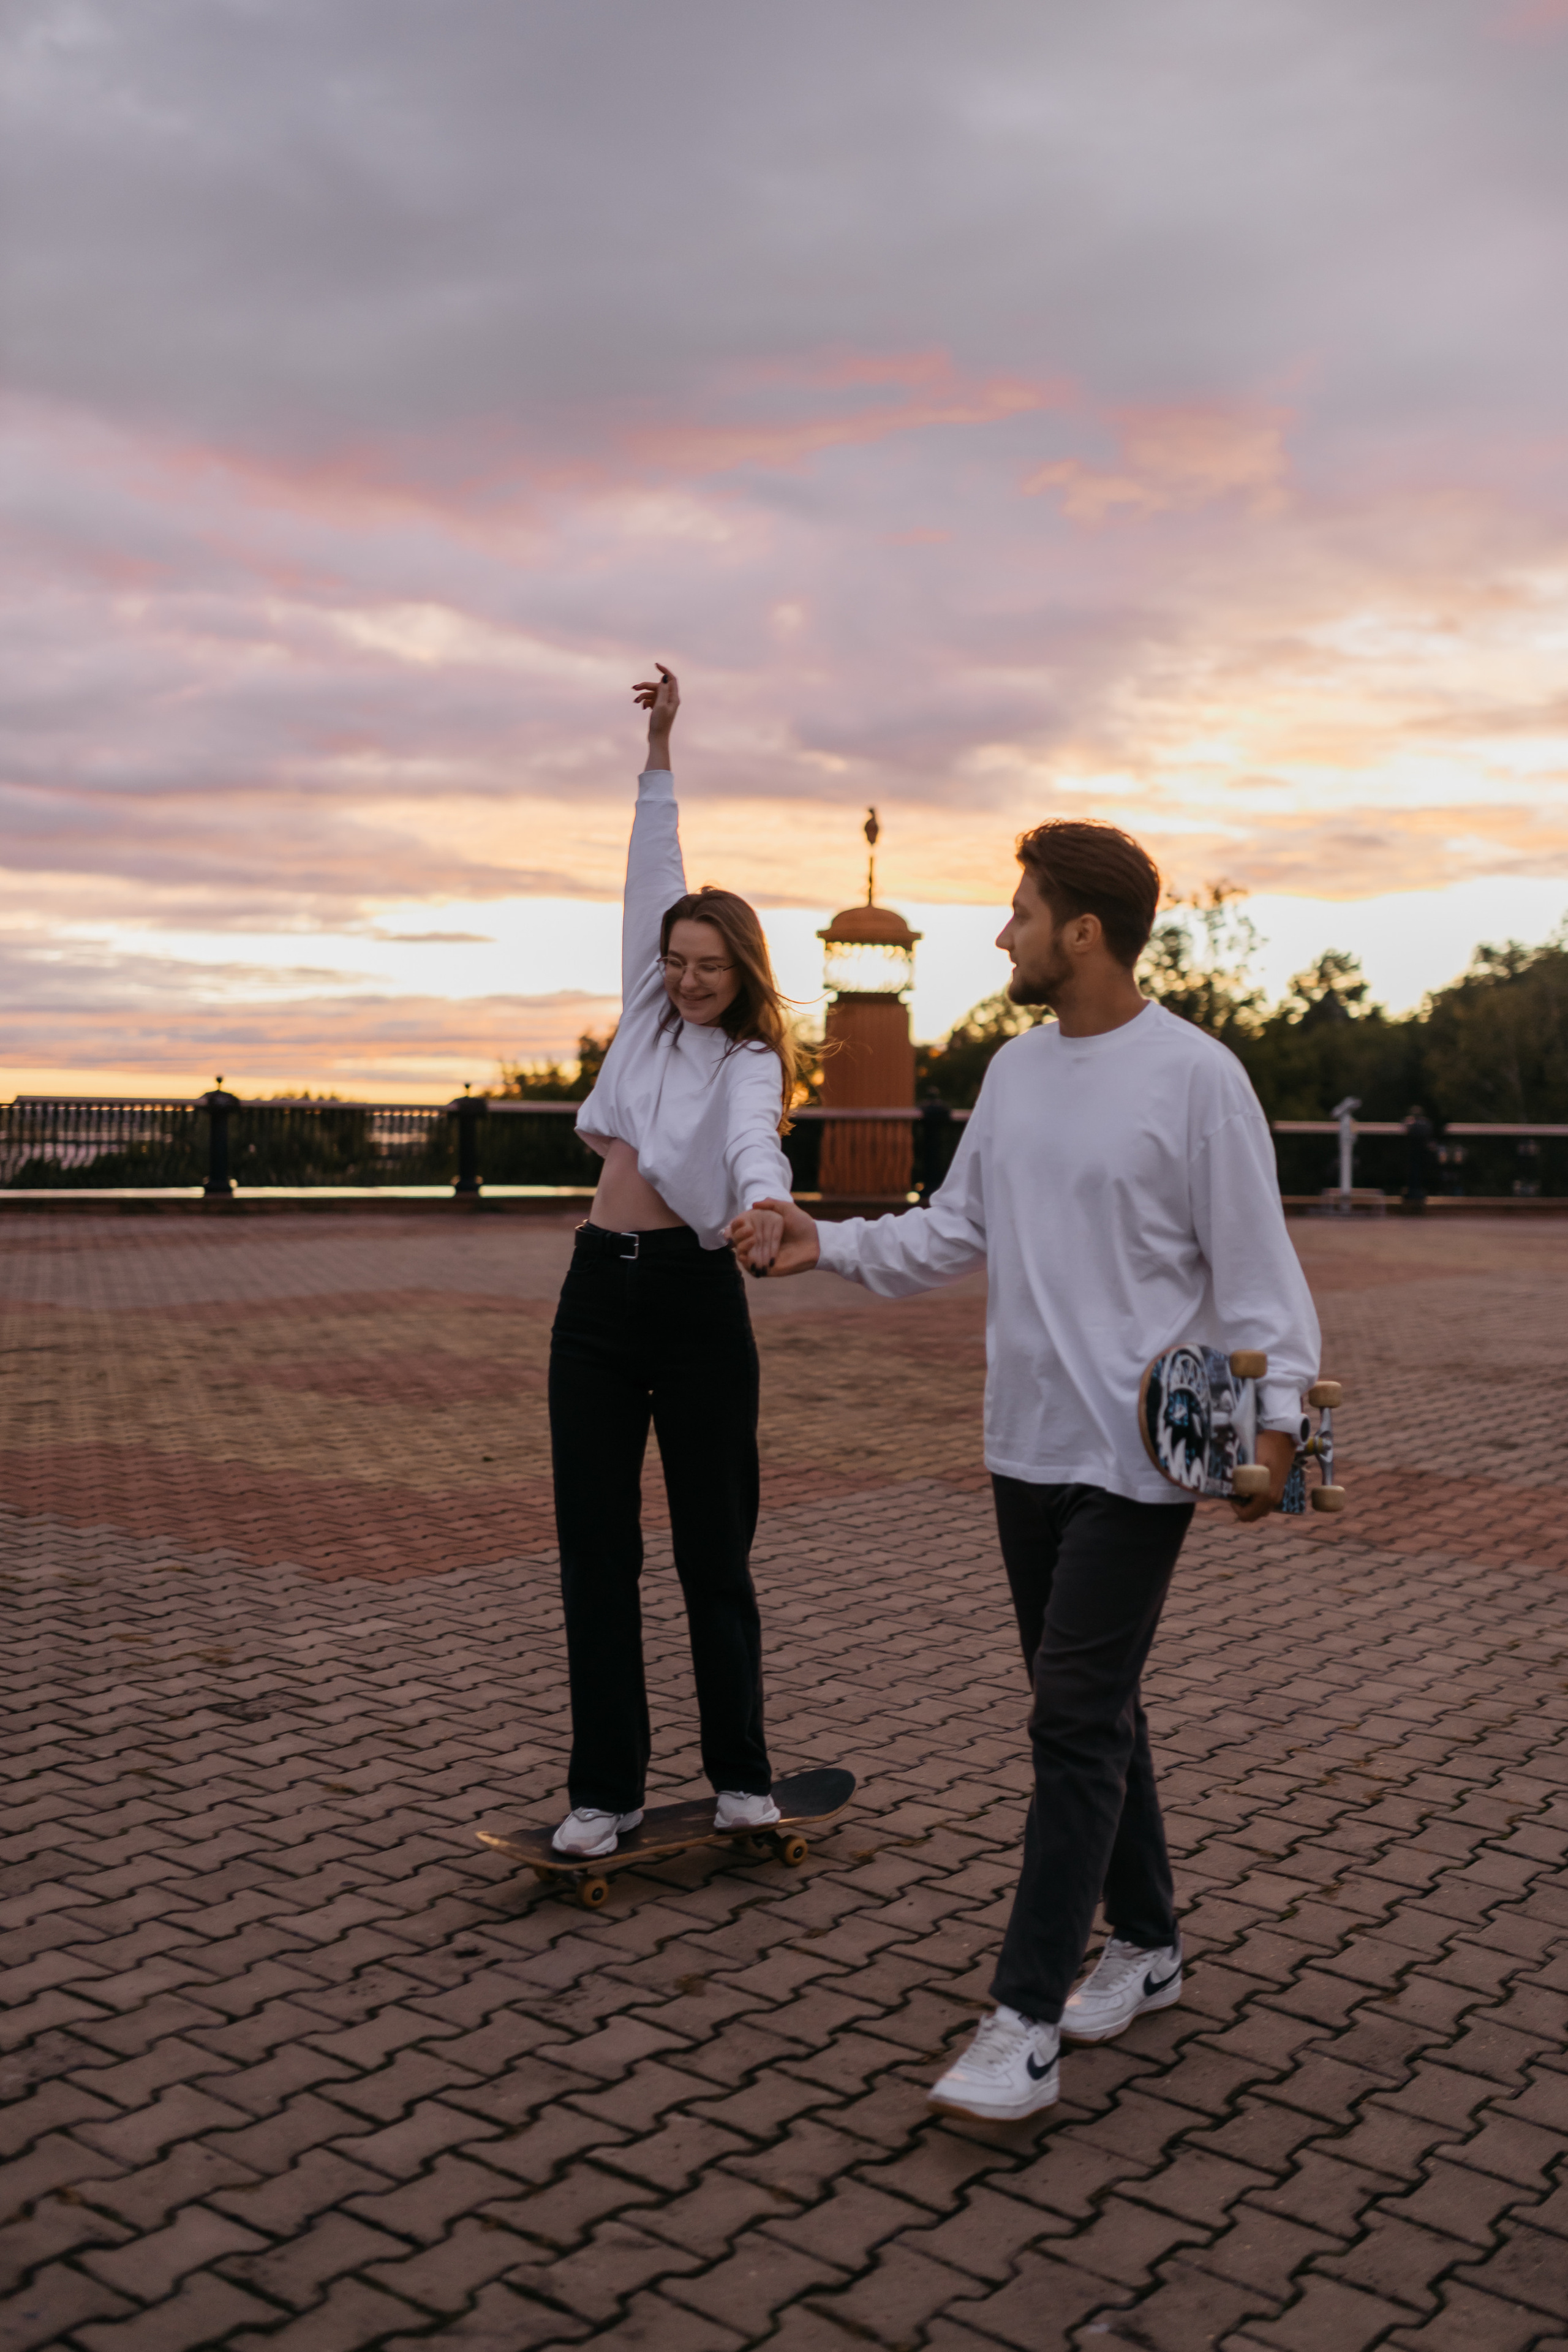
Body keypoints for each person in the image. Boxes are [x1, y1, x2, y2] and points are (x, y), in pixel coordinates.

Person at [729, 818, 1321, 2121]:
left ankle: (1022, 2019)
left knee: (1066, 1720)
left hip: (1140, 1461)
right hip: (1023, 1445)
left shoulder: (1194, 1078)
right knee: (1090, 1710)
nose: (999, 933)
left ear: (1082, 932)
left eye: (1017, 912)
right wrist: (817, 1245)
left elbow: (1255, 1275)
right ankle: (1149, 1944)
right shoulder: (1012, 1073)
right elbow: (955, 1228)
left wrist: (1271, 1431)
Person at [549, 665, 793, 1860]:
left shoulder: (749, 1061)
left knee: (713, 1550)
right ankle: (606, 1793)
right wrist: (659, 749)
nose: (691, 978)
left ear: (743, 971)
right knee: (595, 1546)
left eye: (712, 965)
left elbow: (754, 1146)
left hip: (697, 1307)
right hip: (597, 1296)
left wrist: (762, 1207)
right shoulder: (645, 1011)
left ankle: (741, 1777)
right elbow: (654, 867)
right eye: (680, 960)